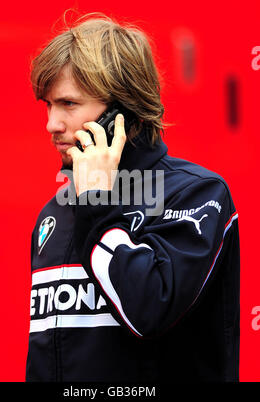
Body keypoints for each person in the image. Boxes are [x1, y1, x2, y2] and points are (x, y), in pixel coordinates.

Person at [26, 13, 240, 382]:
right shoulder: (57, 211)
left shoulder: (196, 194)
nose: (52, 124)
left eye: (69, 104)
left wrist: (98, 204)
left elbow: (149, 312)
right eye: (48, 105)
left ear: (121, 112)